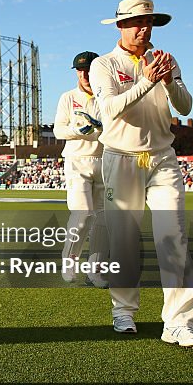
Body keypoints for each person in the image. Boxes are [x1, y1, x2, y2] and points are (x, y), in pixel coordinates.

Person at [89, 0, 193, 348]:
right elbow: (108, 109)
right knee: (124, 239)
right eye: (137, 22)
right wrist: (146, 82)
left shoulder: (165, 59)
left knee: (175, 236)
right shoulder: (104, 64)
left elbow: (185, 106)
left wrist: (169, 82)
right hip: (121, 156)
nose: (145, 28)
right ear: (121, 26)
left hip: (162, 158)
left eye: (150, 22)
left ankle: (179, 322)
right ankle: (123, 310)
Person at [52, 52, 108, 287]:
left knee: (103, 221)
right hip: (77, 161)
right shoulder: (68, 97)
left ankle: (95, 271)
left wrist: (101, 129)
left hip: (105, 161)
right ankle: (69, 260)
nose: (84, 75)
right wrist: (80, 129)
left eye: (88, 70)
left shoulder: (108, 97)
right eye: (79, 70)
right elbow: (58, 131)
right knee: (83, 214)